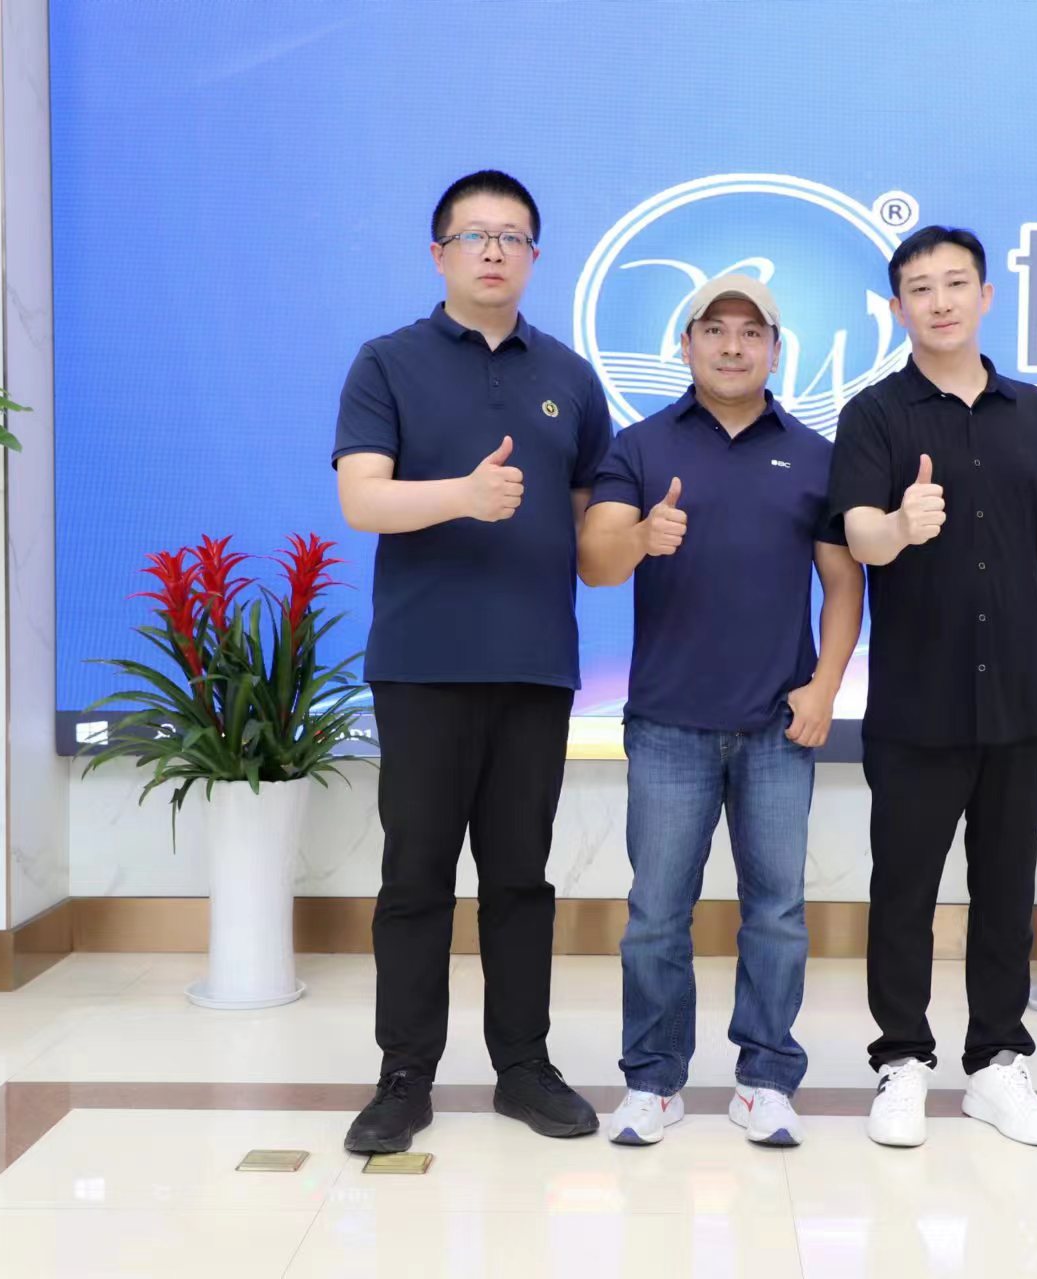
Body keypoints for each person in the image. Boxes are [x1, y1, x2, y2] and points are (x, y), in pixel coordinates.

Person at [332, 170, 609, 1154]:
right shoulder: (387, 362)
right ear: (438, 252)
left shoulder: (570, 376)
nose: (493, 250)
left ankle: (523, 1066)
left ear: (534, 256)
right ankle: (404, 1074)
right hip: (423, 663)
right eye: (473, 234)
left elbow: (591, 530)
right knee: (415, 876)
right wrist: (461, 495)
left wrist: (639, 536)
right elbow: (362, 499)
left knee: (520, 878)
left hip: (536, 664)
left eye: (512, 236)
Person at [579, 275, 865, 1148]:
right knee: (655, 916)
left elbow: (843, 582)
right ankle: (652, 1080)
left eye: (750, 332)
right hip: (667, 723)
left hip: (778, 725)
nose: (732, 345)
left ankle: (765, 1079)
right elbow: (594, 560)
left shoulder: (814, 454)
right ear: (686, 344)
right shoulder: (639, 445)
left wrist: (824, 686)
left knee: (775, 913)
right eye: (714, 329)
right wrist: (640, 537)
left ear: (774, 349)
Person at [827, 226, 1037, 1149]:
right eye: (918, 287)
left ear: (985, 295)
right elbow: (857, 536)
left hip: (1020, 696)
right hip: (917, 699)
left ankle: (996, 1064)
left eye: (954, 283)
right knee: (903, 889)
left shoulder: (1035, 414)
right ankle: (902, 1059)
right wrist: (901, 524)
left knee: (1006, 890)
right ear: (895, 307)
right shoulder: (873, 415)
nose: (938, 301)